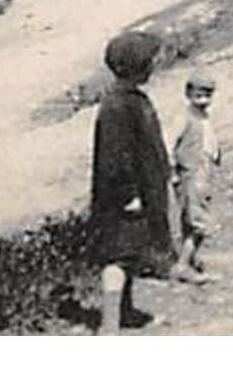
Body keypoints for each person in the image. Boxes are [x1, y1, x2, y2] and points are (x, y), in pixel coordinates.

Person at [87, 30, 176, 334]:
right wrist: (127, 194)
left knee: (130, 255)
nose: (154, 66)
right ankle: (109, 322)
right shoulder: (116, 106)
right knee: (117, 257)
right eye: (149, 61)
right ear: (136, 65)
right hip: (123, 195)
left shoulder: (132, 99)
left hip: (141, 191)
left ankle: (124, 312)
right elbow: (114, 156)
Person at [171, 68, 223, 284]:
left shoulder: (204, 117)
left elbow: (210, 140)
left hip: (203, 170)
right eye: (198, 95)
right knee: (198, 221)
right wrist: (172, 169)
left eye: (207, 95)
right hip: (190, 172)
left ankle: (189, 261)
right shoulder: (184, 118)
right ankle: (183, 265)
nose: (203, 100)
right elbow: (169, 142)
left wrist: (217, 155)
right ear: (188, 94)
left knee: (193, 218)